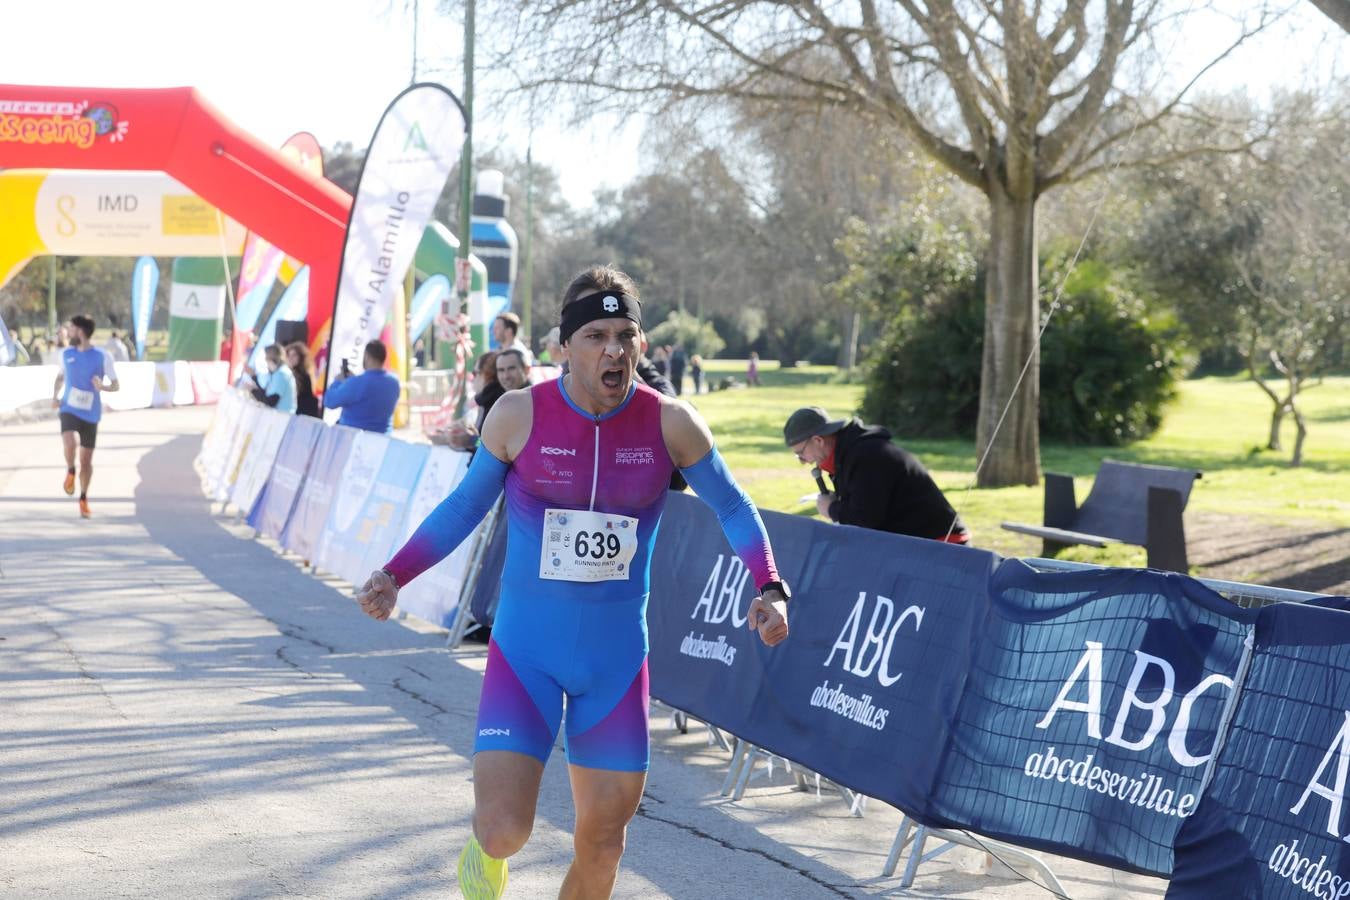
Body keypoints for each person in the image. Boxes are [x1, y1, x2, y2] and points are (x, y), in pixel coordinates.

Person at [357, 265, 791, 900]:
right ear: (565, 345)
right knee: (504, 830)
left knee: (604, 846)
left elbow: (732, 505)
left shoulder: (672, 424)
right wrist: (395, 575)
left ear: (642, 343)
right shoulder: (517, 415)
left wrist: (771, 585)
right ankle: (486, 857)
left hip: (614, 660)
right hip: (527, 652)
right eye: (595, 335)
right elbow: (464, 508)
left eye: (626, 334)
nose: (614, 350)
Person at [784, 406, 970, 543]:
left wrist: (831, 509)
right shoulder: (849, 454)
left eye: (801, 453)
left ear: (818, 440)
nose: (802, 460)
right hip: (917, 543)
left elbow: (865, 519)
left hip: (943, 545)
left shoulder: (865, 455)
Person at [51, 315, 119, 519]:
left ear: (80, 331)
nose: (68, 331)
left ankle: (83, 497)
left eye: (71, 328)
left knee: (87, 461)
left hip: (91, 413)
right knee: (70, 443)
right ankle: (70, 471)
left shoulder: (102, 356)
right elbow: (61, 377)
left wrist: (103, 387)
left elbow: (116, 385)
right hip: (69, 408)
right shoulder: (65, 353)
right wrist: (55, 396)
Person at [323, 340, 401, 434]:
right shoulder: (394, 382)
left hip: (354, 440)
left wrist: (338, 381)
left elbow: (329, 401)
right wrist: (352, 381)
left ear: (367, 356)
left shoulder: (356, 383)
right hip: (382, 440)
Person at [246, 344, 298, 414]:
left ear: (269, 358)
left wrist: (253, 390)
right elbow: (267, 395)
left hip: (282, 418)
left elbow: (271, 402)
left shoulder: (281, 374)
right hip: (281, 417)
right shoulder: (279, 372)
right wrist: (254, 377)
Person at [286, 342, 320, 418]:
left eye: (294, 355)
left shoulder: (304, 375)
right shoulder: (286, 373)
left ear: (300, 357)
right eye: (289, 355)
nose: (291, 358)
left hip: (300, 415)